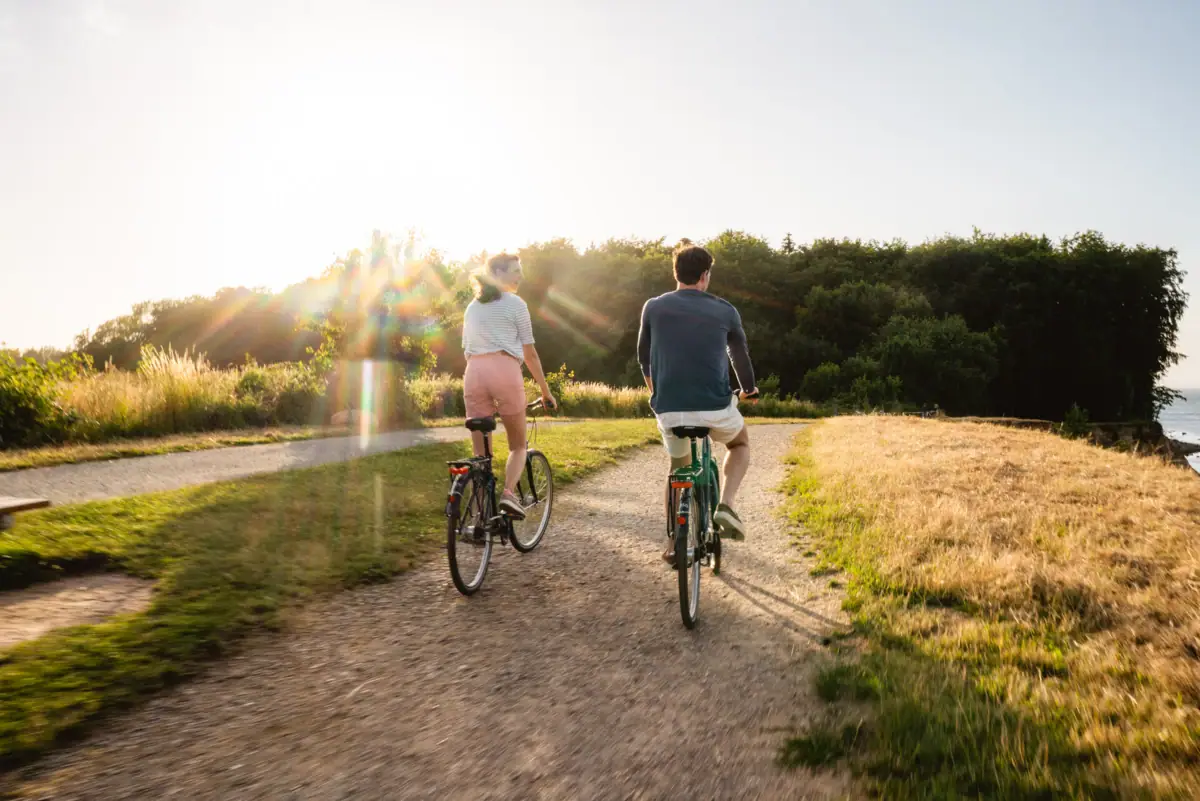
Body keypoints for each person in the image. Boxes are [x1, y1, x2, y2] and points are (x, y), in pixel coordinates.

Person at [636, 242, 758, 563]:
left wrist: (657, 390)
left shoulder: (653, 307)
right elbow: (739, 354)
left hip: (669, 409)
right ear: (705, 276)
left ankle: (674, 543)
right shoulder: (725, 310)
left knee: (678, 469)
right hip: (716, 407)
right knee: (740, 444)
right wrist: (750, 389)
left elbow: (643, 358)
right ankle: (727, 505)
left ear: (675, 273)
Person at [461, 253, 556, 519]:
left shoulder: (472, 307)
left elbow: (466, 350)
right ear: (498, 274)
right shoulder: (515, 304)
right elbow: (530, 354)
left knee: (480, 455)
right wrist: (545, 392)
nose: (520, 276)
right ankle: (509, 495)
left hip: (474, 372)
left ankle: (479, 519)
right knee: (517, 446)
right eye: (515, 271)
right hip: (504, 370)